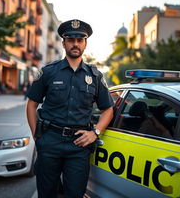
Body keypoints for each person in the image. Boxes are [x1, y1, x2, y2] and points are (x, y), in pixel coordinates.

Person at [26, 19, 114, 198]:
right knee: (46, 193)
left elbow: (108, 109)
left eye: (80, 40)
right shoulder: (49, 72)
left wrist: (94, 133)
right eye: (71, 40)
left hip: (79, 146)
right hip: (49, 141)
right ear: (64, 43)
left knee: (74, 194)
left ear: (85, 44)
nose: (75, 44)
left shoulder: (95, 76)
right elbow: (32, 104)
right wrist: (37, 136)